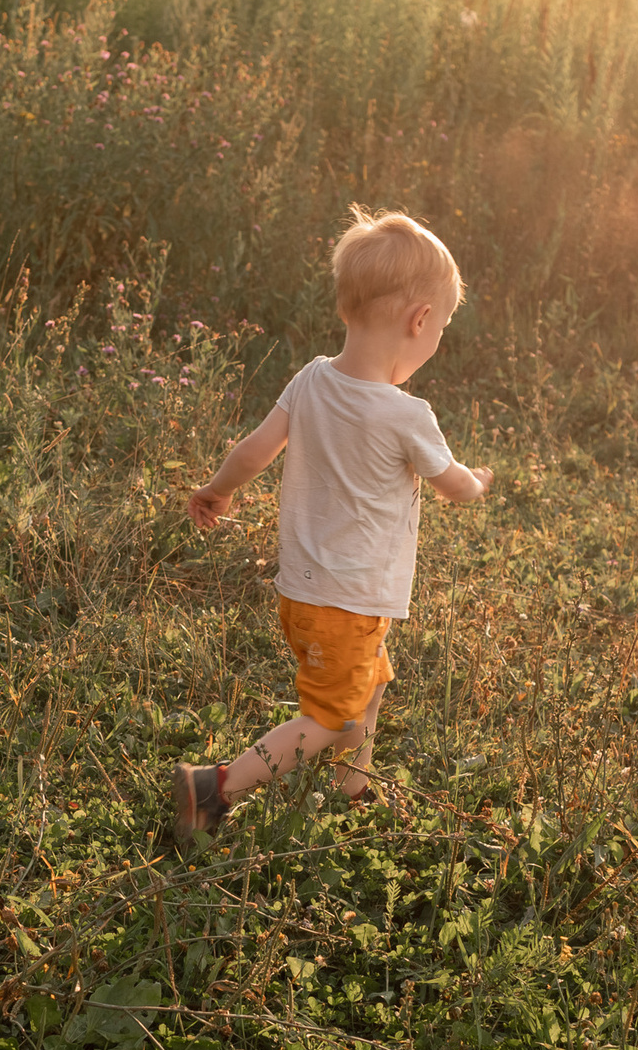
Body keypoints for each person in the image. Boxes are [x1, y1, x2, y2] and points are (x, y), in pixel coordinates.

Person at [173, 208, 493, 843]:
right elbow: (454, 486)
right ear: (420, 320)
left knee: (367, 688)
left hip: (303, 593)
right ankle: (214, 787)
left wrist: (216, 490)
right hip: (347, 601)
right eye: (442, 331)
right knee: (326, 714)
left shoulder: (311, 380)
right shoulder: (407, 414)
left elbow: (254, 450)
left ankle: (354, 790)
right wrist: (479, 480)